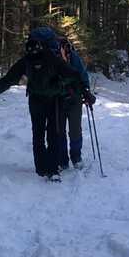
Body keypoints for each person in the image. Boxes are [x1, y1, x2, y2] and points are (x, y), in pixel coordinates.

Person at [0, 25, 88, 181]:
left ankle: (41, 167)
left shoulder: (27, 60)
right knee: (53, 134)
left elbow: (11, 77)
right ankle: (53, 170)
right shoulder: (53, 58)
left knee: (38, 133)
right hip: (54, 100)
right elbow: (72, 74)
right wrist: (84, 91)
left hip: (35, 100)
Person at [55, 34, 95, 171]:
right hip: (59, 99)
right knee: (60, 131)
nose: (63, 50)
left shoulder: (74, 57)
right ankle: (63, 159)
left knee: (74, 130)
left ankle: (75, 156)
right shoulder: (53, 58)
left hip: (74, 98)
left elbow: (82, 75)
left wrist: (86, 91)